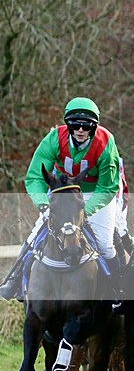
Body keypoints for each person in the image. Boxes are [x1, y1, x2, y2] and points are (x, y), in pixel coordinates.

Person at [0, 97, 124, 301]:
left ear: (94, 127)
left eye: (86, 126)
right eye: (75, 125)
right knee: (35, 235)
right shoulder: (54, 139)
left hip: (96, 194)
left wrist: (86, 210)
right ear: (68, 125)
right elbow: (35, 177)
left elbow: (108, 186)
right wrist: (44, 205)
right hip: (62, 192)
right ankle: (13, 281)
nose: (81, 130)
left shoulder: (105, 143)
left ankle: (118, 289)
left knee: (104, 243)